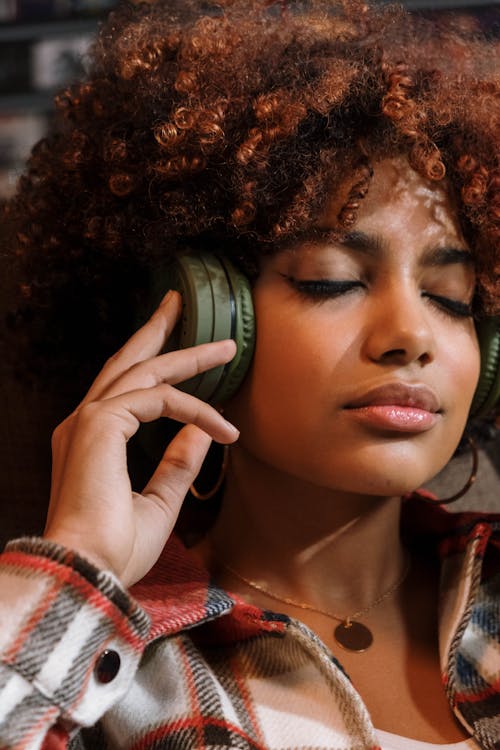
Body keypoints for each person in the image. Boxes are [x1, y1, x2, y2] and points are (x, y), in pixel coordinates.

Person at [0, 0, 499, 748]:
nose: (410, 337)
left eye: (449, 298)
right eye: (331, 280)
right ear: (204, 313)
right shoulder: (113, 674)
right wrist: (80, 567)